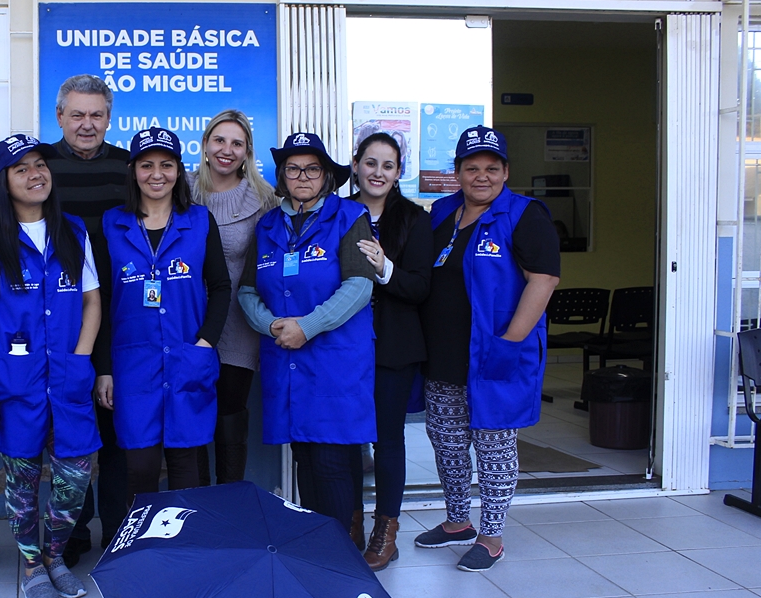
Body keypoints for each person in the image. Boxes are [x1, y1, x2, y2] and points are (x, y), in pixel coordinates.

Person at [0, 134, 102, 598]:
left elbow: (91, 302)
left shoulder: (73, 232)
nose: (34, 174)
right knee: (21, 482)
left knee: (74, 477)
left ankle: (56, 554)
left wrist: (81, 357)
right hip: (14, 383)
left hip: (68, 377)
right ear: (4, 181)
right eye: (21, 169)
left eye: (40, 165)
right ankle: (30, 564)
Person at [415, 126, 560, 572]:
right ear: (457, 172)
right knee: (448, 441)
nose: (482, 176)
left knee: (494, 445)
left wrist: (510, 342)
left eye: (491, 168)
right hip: (443, 354)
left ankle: (492, 535)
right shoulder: (442, 212)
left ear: (506, 171)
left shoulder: (524, 214)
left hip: (494, 352)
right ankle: (457, 521)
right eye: (471, 167)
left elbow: (544, 279)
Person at [238, 133, 376, 532]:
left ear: (327, 177)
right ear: (282, 176)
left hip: (335, 361)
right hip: (287, 358)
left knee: (332, 460)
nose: (303, 176)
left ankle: (342, 555)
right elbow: (247, 290)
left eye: (312, 169)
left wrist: (307, 326)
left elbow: (359, 286)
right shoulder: (267, 226)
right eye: (293, 168)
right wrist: (270, 324)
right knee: (305, 457)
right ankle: (320, 547)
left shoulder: (351, 218)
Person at [98, 127, 232, 500]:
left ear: (179, 170)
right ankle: (143, 552)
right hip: (132, 365)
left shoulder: (200, 222)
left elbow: (221, 287)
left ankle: (186, 553)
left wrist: (205, 344)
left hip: (187, 357)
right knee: (139, 468)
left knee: (186, 464)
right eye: (147, 165)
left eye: (166, 165)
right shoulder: (112, 224)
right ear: (133, 171)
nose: (157, 174)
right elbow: (102, 298)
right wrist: (104, 367)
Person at [46, 74, 131, 568]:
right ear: (59, 116)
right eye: (76, 114)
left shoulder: (129, 167)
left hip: (122, 317)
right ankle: (72, 531)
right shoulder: (40, 166)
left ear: (109, 118)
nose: (86, 124)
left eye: (96, 115)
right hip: (61, 321)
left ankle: (118, 532)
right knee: (70, 432)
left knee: (117, 430)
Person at [347, 132, 432, 570]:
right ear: (356, 163)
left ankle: (386, 529)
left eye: (388, 165)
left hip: (392, 348)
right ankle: (351, 524)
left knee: (387, 440)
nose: (378, 173)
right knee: (343, 441)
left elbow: (420, 287)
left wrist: (384, 268)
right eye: (371, 163)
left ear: (399, 173)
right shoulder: (336, 212)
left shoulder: (414, 220)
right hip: (340, 346)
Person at [188, 110, 278, 485]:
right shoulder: (182, 190)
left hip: (239, 325)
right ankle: (195, 514)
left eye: (236, 143)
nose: (227, 150)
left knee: (229, 417)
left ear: (247, 152)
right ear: (206, 146)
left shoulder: (265, 199)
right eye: (219, 140)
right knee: (188, 418)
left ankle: (228, 511)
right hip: (189, 320)